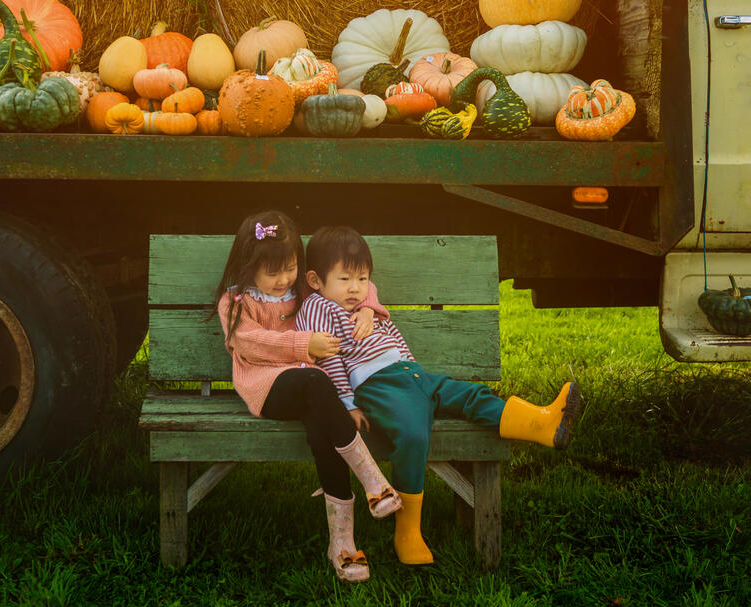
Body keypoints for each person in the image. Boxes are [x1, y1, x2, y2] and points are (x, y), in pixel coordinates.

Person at [296, 225, 582, 565]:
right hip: (378, 386)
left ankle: (543, 424)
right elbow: (327, 360)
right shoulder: (318, 307)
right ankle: (407, 532)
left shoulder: (361, 303)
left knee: (470, 395)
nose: (356, 289)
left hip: (412, 375)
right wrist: (348, 404)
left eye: (361, 279)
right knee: (413, 435)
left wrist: (380, 322)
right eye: (345, 280)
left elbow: (382, 317)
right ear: (315, 281)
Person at [214, 209, 403, 583]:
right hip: (266, 387)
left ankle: (343, 542)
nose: (284, 279)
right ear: (249, 266)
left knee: (321, 425)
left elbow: (361, 287)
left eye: (290, 268)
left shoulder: (299, 290)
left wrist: (366, 307)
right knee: (318, 383)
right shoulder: (235, 303)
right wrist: (305, 343)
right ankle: (371, 480)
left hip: (312, 388)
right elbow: (250, 343)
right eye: (273, 272)